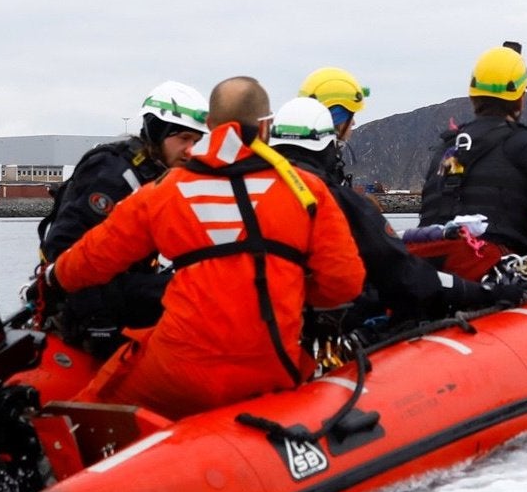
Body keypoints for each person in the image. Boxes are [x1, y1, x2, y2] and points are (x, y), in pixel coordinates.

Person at [45, 76, 365, 415]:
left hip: (179, 370)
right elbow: (344, 281)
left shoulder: (166, 190)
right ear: (267, 127)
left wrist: (52, 280)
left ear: (210, 126)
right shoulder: (308, 191)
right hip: (272, 364)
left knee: (90, 410)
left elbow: (92, 257)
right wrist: (291, 290)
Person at [267, 95, 509, 326]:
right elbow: (403, 274)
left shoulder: (246, 192)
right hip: (310, 337)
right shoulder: (341, 203)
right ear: (329, 145)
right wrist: (478, 291)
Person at [32, 81, 207, 358]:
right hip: (89, 298)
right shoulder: (113, 174)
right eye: (183, 139)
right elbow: (65, 249)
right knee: (184, 294)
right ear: (158, 132)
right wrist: (100, 326)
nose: (190, 150)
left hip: (121, 287)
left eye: (195, 142)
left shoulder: (156, 176)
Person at [417, 42, 527, 257]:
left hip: (431, 270)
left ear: (473, 96)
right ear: (520, 98)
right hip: (494, 272)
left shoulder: (445, 150)